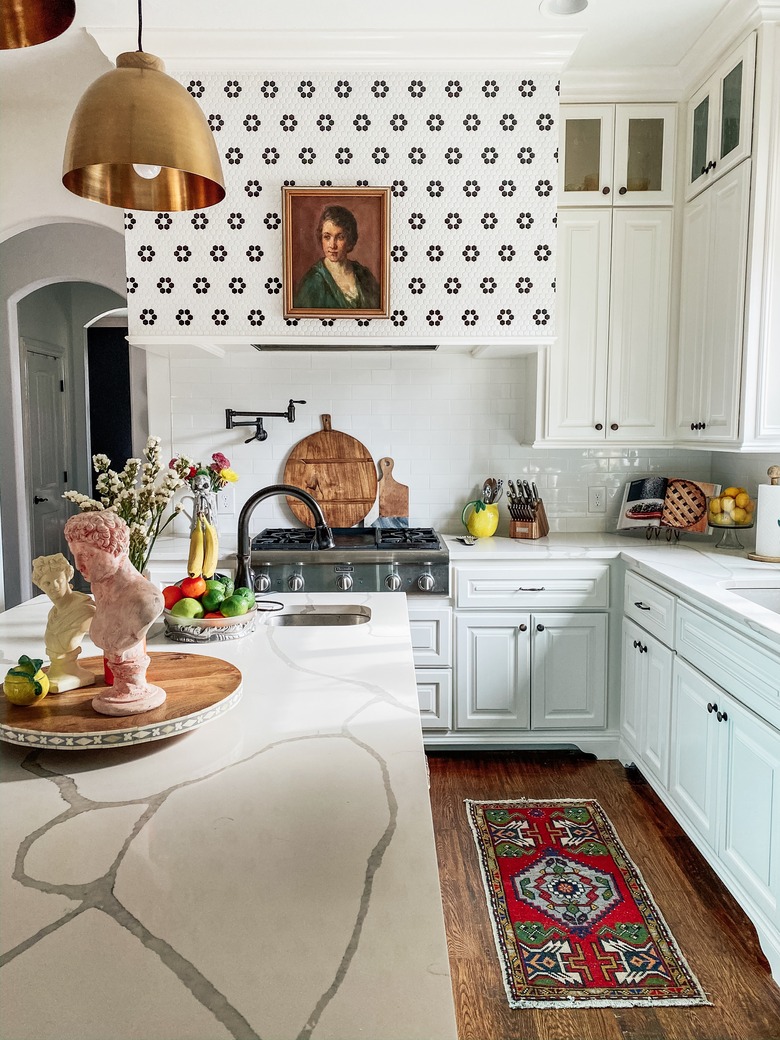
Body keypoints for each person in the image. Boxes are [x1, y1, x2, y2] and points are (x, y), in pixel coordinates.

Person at [64, 510, 165, 717]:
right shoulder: (98, 589)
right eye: (75, 554)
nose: (78, 565)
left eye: (87, 555)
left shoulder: (146, 600)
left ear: (116, 550)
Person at [293, 205, 381, 310]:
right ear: (321, 238)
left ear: (350, 240)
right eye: (327, 237)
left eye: (340, 237)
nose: (332, 245)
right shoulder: (312, 282)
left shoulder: (364, 275)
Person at [31, 552, 96, 692]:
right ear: (41, 586)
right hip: (54, 673)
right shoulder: (53, 614)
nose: (53, 586)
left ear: (67, 577)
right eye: (47, 583)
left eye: (58, 580)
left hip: (70, 674)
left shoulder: (84, 611)